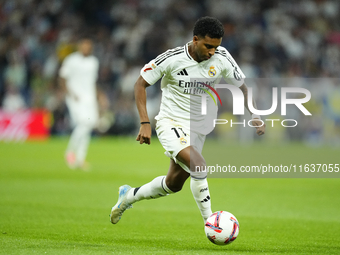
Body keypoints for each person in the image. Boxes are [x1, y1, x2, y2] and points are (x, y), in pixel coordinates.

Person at [110, 17, 265, 224]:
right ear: (195, 39)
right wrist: (145, 123)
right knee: (199, 165)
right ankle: (211, 222)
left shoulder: (222, 58)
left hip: (199, 129)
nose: (212, 52)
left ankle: (128, 196)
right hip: (171, 122)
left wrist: (254, 113)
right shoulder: (172, 58)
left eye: (216, 47)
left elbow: (243, 88)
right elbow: (140, 84)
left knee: (173, 184)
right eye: (208, 46)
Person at [59, 37, 99, 170]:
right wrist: (69, 94)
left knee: (89, 125)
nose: (86, 48)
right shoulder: (71, 60)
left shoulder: (94, 62)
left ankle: (80, 159)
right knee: (84, 123)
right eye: (84, 46)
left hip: (89, 98)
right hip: (75, 98)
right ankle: (70, 152)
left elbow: (92, 82)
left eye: (88, 46)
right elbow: (63, 78)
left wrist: (98, 97)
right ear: (79, 47)